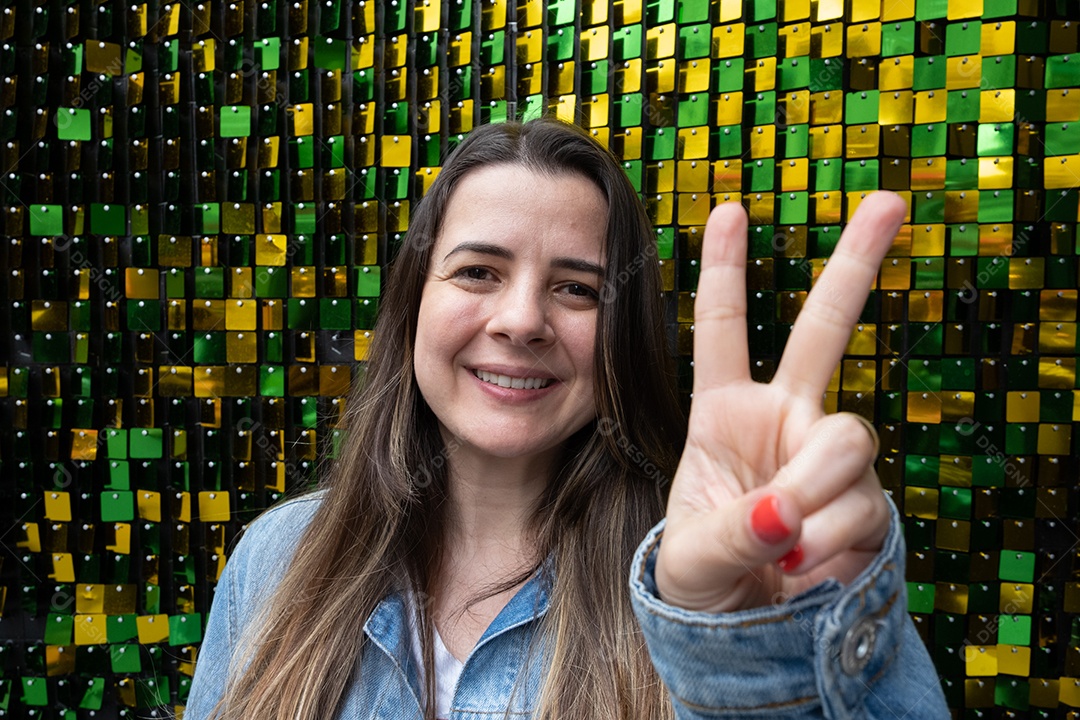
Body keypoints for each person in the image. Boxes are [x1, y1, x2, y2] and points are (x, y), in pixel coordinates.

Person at [185, 118, 948, 719]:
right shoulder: (273, 561)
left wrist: (761, 645)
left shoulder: (713, 579)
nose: (522, 320)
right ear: (413, 302)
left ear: (622, 337)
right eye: (478, 271)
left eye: (578, 289)